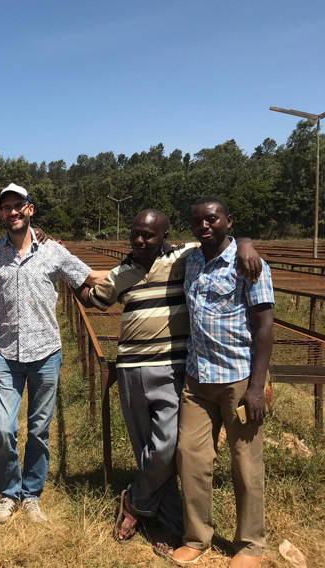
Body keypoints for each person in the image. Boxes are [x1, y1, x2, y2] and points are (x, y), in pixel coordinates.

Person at [77, 210, 261, 553]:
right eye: (136, 233)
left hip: (172, 367)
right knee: (145, 448)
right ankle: (170, 524)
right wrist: (66, 270)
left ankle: (136, 502)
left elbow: (223, 242)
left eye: (149, 235)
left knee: (167, 447)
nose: (140, 240)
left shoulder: (184, 257)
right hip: (131, 368)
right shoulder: (122, 272)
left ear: (165, 236)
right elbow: (94, 299)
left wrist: (247, 244)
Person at [0, 183, 106, 524]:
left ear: (30, 209)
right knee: (4, 428)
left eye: (18, 205)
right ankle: (8, 493)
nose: (12, 212)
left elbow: (89, 277)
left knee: (39, 429)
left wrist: (140, 269)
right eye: (6, 207)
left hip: (46, 353)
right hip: (7, 354)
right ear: (1, 214)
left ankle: (31, 495)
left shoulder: (53, 252)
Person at [171, 198, 273, 568]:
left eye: (212, 219)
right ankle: (197, 537)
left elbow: (265, 326)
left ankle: (250, 545)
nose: (204, 225)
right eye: (197, 220)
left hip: (239, 379)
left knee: (245, 464)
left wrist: (257, 387)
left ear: (228, 220)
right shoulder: (191, 260)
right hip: (197, 378)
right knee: (190, 456)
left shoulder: (249, 263)